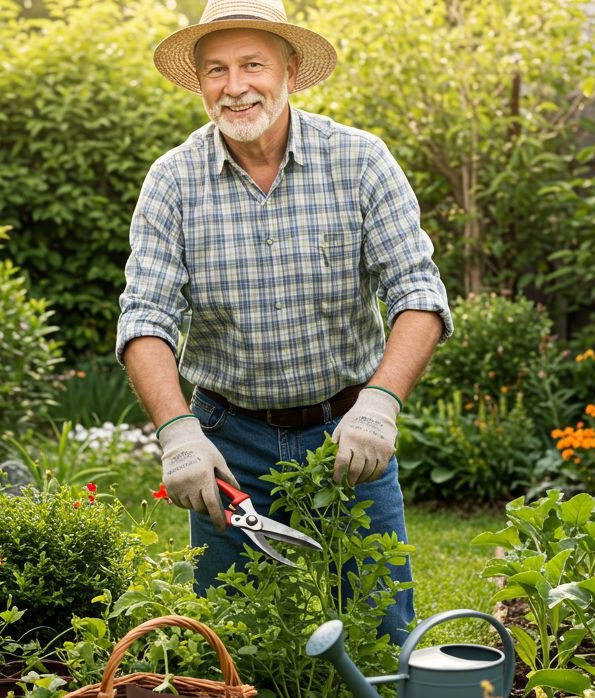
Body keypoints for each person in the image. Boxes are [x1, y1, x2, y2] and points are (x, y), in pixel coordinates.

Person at [115, 0, 453, 644]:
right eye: (216, 70)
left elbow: (418, 292)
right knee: (232, 645)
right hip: (229, 443)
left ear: (290, 71)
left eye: (253, 65)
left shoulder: (359, 160)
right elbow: (145, 317)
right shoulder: (173, 181)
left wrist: (380, 404)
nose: (235, 86)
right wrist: (178, 433)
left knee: (382, 632)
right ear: (200, 82)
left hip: (345, 431)